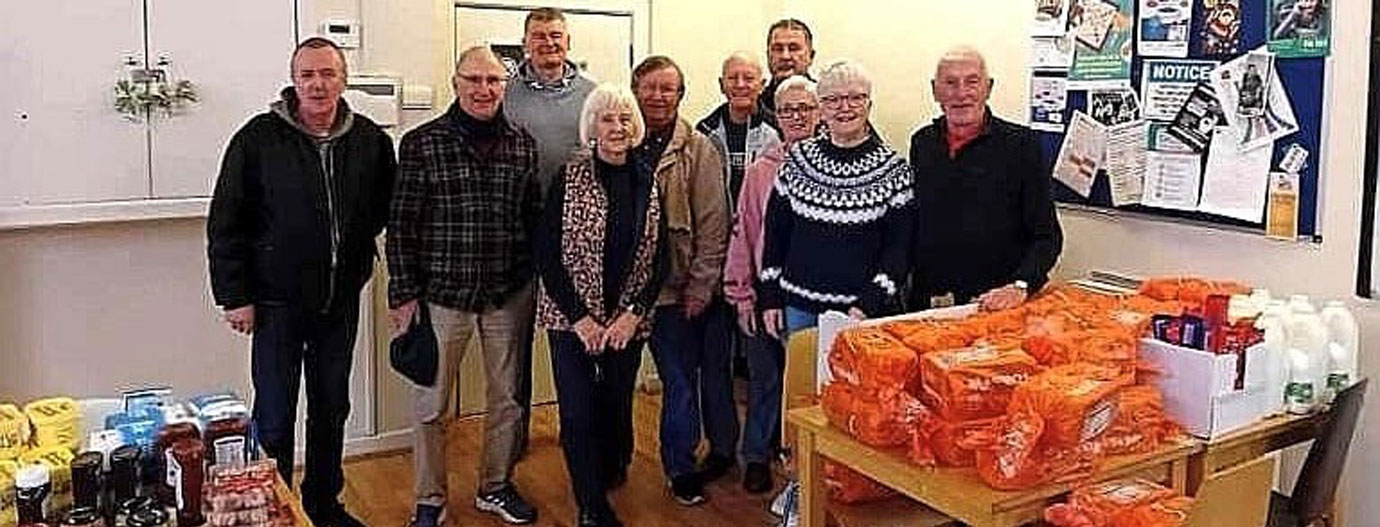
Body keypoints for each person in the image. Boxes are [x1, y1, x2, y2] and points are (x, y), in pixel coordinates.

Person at [207, 37, 395, 527]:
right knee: (274, 412)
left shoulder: (371, 141)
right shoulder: (257, 138)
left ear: (343, 79)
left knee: (332, 407)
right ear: (294, 80)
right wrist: (235, 296)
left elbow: (383, 211)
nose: (317, 84)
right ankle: (274, 507)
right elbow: (226, 222)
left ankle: (323, 504)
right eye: (308, 74)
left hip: (340, 301)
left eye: (327, 74)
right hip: (274, 304)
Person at [389, 45, 542, 527]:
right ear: (456, 83)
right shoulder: (421, 143)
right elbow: (401, 225)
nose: (483, 89)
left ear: (505, 85)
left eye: (493, 81)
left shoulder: (523, 142)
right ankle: (429, 500)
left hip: (507, 294)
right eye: (473, 80)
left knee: (507, 401)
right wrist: (402, 293)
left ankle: (494, 487)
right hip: (442, 298)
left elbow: (531, 217)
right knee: (432, 405)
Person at [536, 83, 670, 527]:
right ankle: (591, 507)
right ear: (591, 126)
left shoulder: (648, 177)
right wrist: (581, 319)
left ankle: (611, 466)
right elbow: (547, 255)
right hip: (571, 318)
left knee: (615, 404)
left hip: (626, 321)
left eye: (625, 118)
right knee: (576, 411)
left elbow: (661, 257)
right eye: (607, 119)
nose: (617, 126)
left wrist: (632, 314)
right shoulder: (569, 177)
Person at [629, 55, 730, 506]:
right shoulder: (617, 138)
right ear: (635, 89)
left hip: (675, 292)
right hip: (621, 296)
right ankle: (611, 462)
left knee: (680, 383)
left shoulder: (700, 149)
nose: (657, 96)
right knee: (613, 386)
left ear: (681, 94)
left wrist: (701, 286)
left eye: (667, 88)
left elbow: (714, 224)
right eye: (650, 87)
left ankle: (680, 466)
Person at [758, 59, 913, 340]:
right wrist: (770, 297)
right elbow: (775, 234)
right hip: (799, 309)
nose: (845, 107)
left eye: (855, 98)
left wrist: (867, 305)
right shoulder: (797, 160)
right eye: (832, 100)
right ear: (820, 108)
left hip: (861, 315)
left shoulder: (894, 170)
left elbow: (899, 251)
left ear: (869, 104)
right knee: (802, 383)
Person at [502, 4, 598, 459]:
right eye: (539, 36)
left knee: (574, 341)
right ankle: (513, 436)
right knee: (514, 346)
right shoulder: (504, 93)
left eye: (556, 35)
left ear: (568, 42)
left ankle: (577, 431)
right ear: (526, 42)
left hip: (575, 240)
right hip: (517, 238)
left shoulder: (591, 95)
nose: (548, 43)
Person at [908, 46, 1063, 313]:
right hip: (928, 304)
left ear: (988, 88)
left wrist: (1020, 285)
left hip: (996, 305)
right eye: (950, 83)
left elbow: (1047, 236)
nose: (961, 93)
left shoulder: (1022, 146)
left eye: (972, 82)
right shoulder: (922, 143)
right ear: (935, 90)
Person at [722, 75, 821, 495]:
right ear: (775, 116)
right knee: (765, 381)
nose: (796, 116)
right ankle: (758, 455)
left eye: (805, 108)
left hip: (815, 298)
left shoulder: (830, 163)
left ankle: (807, 466)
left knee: (812, 390)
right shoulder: (762, 169)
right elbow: (744, 232)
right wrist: (740, 293)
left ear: (818, 112)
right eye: (787, 110)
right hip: (765, 295)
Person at [698, 52, 782, 213]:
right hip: (717, 226)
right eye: (732, 78)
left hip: (763, 224)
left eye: (749, 78)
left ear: (762, 85)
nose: (740, 84)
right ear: (721, 85)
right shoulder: (705, 131)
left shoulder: (777, 129)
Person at [760, 19, 817, 123]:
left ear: (811, 56)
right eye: (778, 49)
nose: (785, 56)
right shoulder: (755, 108)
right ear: (768, 56)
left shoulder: (827, 103)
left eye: (793, 48)